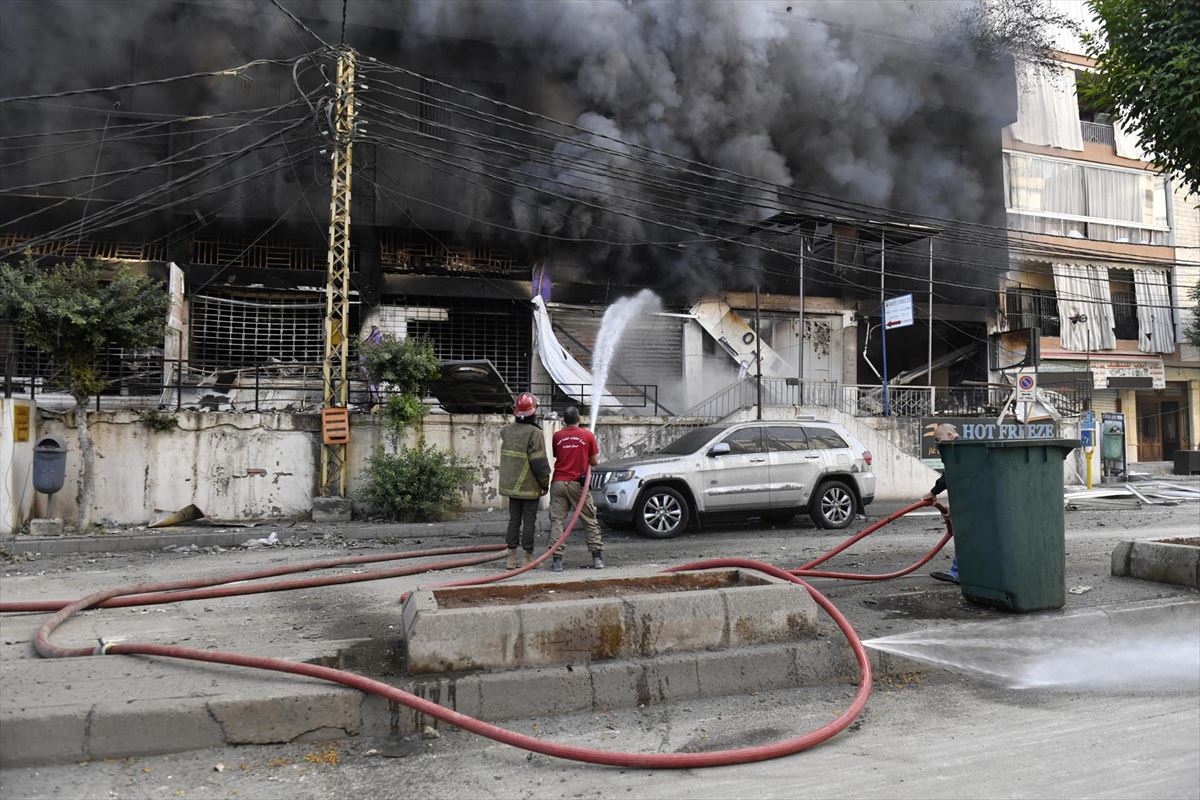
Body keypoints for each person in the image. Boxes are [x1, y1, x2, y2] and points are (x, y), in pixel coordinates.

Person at [498, 392, 551, 569]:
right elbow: (540, 463)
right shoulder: (535, 433)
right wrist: (545, 483)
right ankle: (528, 558)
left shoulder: (505, 431)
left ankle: (511, 559)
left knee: (514, 520)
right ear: (533, 412)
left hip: (511, 487)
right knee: (529, 521)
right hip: (529, 487)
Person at [548, 406, 605, 571]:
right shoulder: (588, 435)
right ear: (579, 419)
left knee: (557, 521)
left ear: (563, 421)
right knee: (589, 520)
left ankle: (557, 561)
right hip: (578, 485)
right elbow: (594, 462)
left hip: (558, 483)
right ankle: (597, 559)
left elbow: (558, 456)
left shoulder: (556, 436)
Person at [922, 423, 960, 584]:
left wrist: (933, 492)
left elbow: (948, 477)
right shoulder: (962, 451)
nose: (937, 445)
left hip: (972, 504)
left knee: (966, 538)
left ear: (950, 436)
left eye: (938, 440)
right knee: (968, 538)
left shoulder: (958, 450)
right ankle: (958, 572)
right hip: (973, 502)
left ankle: (957, 573)